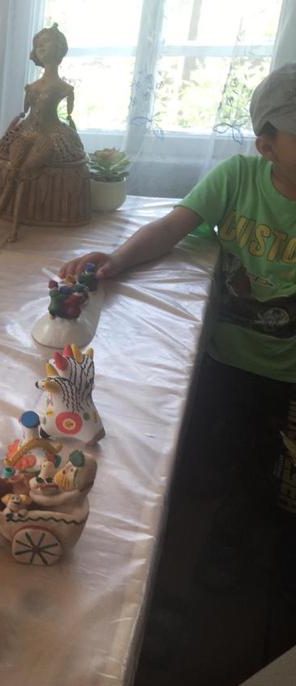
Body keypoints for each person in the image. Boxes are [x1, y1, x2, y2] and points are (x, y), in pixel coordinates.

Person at [60, 64, 296, 507]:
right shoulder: (237, 177)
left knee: (262, 478)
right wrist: (117, 259)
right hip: (220, 356)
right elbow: (171, 228)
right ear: (266, 147)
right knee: (194, 458)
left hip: (285, 373)